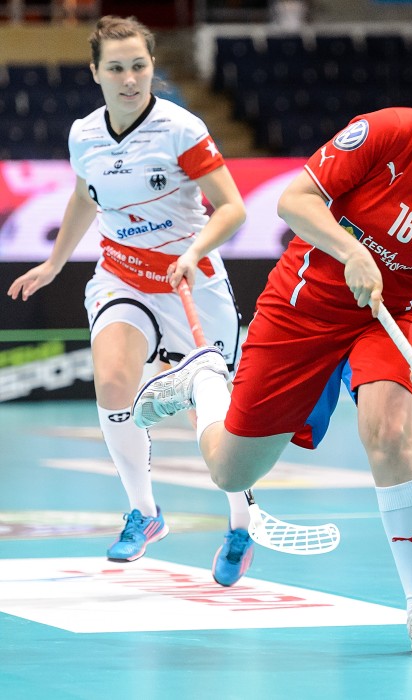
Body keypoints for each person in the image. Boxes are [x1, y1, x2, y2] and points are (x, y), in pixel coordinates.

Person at [129, 56, 412, 658]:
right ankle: (205, 381)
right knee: (232, 473)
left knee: (390, 433)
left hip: (393, 315)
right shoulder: (387, 132)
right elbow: (294, 201)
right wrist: (349, 250)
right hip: (303, 304)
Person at [5, 16, 254, 586]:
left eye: (138, 65)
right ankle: (144, 513)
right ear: (95, 72)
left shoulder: (181, 130)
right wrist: (55, 262)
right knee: (113, 379)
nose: (129, 78)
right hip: (123, 275)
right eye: (115, 68)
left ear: (152, 68)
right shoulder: (84, 134)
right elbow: (84, 198)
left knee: (213, 417)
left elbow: (234, 208)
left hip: (193, 280)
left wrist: (195, 250)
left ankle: (240, 523)